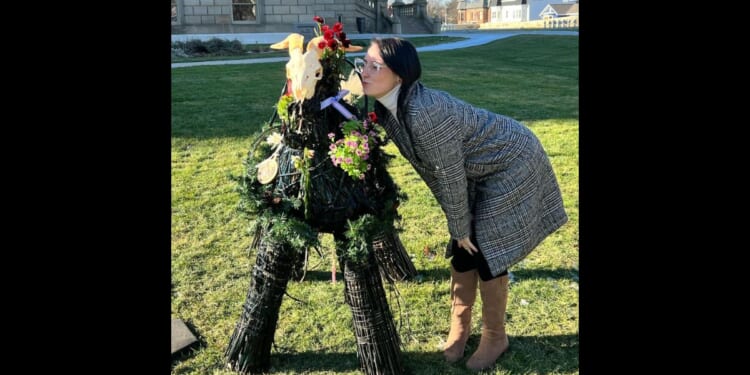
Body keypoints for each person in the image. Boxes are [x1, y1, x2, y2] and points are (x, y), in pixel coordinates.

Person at [355, 38, 569, 371]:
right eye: (363, 62)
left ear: (399, 76)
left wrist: (459, 225)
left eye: (374, 66)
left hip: (512, 161)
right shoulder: (386, 107)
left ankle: (495, 336)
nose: (364, 72)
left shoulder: (425, 112)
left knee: (486, 247)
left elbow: (449, 174)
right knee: (462, 249)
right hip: (477, 170)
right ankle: (460, 327)